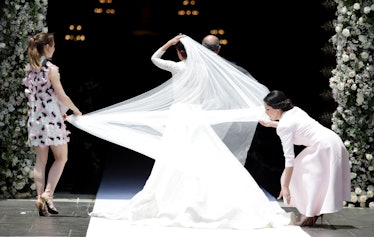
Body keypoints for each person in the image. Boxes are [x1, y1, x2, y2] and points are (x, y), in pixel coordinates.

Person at [68, 35, 292, 229]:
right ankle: (201, 200)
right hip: (196, 115)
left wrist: (168, 43)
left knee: (175, 159)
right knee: (201, 157)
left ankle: (177, 200)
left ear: (179, 52)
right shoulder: (206, 70)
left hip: (179, 116)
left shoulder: (179, 67)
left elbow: (155, 59)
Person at [258, 90, 351, 227]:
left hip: (324, 146)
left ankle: (309, 213)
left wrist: (285, 187)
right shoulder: (295, 110)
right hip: (333, 141)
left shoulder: (285, 125)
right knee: (312, 177)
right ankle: (310, 213)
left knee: (294, 175)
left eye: (268, 109)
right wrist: (273, 124)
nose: (266, 112)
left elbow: (289, 158)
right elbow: (294, 127)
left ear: (278, 108)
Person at [23, 32, 82, 216]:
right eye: (54, 45)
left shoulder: (29, 68)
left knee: (40, 161)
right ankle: (47, 195)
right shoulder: (51, 69)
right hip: (52, 120)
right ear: (47, 46)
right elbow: (61, 95)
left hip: (35, 119)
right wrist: (76, 110)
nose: (55, 48)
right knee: (61, 158)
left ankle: (41, 199)